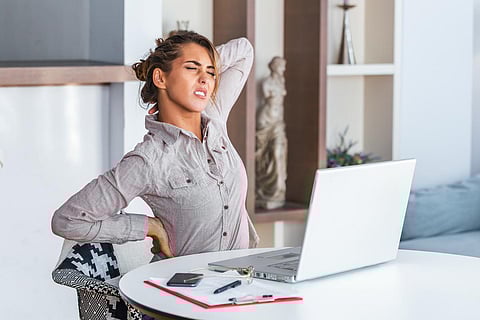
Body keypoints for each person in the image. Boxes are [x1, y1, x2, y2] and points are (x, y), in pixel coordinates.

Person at [52, 31, 259, 260]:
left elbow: (244, 50)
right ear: (161, 78)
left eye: (211, 72)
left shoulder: (214, 116)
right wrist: (148, 226)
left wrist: (203, 62)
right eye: (191, 68)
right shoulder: (148, 160)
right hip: (185, 291)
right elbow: (68, 220)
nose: (206, 79)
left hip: (241, 282)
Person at [255, 56, 288, 209]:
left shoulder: (281, 81)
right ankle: (265, 189)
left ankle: (276, 191)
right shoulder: (266, 83)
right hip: (266, 119)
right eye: (281, 66)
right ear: (274, 67)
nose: (284, 69)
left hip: (278, 122)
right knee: (264, 153)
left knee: (278, 153)